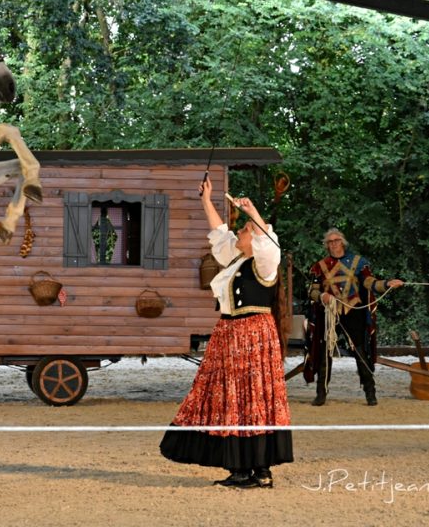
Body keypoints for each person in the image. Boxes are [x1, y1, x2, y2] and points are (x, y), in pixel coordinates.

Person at [160, 176, 293, 489]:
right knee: (233, 400)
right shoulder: (234, 261)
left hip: (254, 336)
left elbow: (269, 240)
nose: (239, 233)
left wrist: (253, 213)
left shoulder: (264, 263)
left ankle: (260, 471)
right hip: (230, 335)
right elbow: (219, 234)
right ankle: (243, 468)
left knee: (254, 399)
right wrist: (206, 200)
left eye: (244, 231)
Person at [305, 228, 404, 407]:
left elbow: (369, 282)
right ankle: (321, 393)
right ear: (326, 245)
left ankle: (370, 393)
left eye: (336, 240)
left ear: (343, 242)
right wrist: (321, 296)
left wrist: (388, 283)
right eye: (330, 241)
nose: (333, 244)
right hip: (330, 313)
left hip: (354, 311)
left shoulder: (359, 263)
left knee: (360, 351)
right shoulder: (320, 266)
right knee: (325, 352)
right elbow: (312, 290)